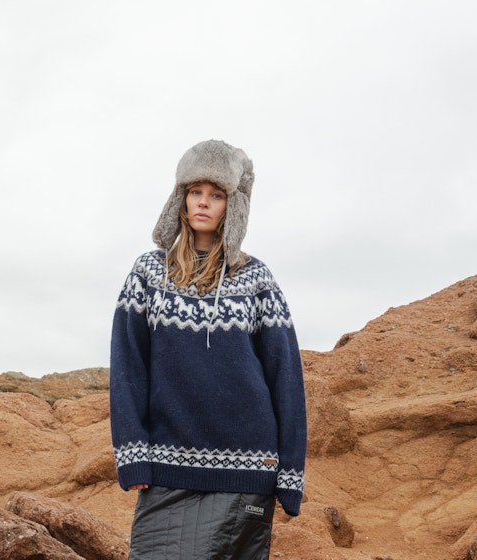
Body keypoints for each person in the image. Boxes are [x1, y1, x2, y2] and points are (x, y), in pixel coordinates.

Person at [109, 139, 307, 559]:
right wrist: (132, 453)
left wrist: (291, 472)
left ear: (231, 206)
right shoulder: (147, 272)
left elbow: (285, 376)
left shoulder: (256, 279)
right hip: (167, 467)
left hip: (247, 470)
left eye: (216, 195)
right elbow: (128, 366)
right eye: (195, 192)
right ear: (180, 199)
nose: (203, 203)